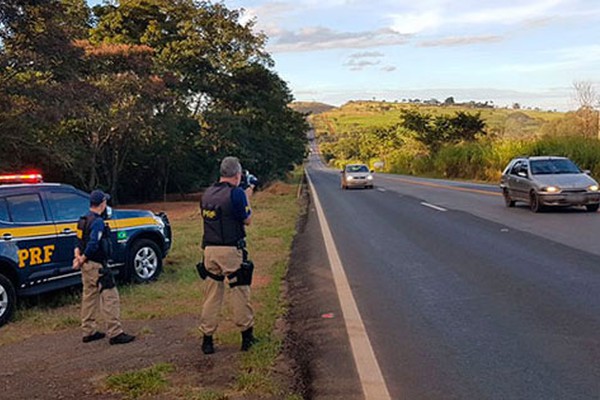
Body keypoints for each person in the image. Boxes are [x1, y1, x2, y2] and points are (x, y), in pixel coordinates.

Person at [198, 156, 256, 354]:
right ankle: (246, 336)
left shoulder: (207, 194)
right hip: (230, 250)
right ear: (237, 174)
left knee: (211, 296)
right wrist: (248, 196)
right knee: (239, 292)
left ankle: (207, 339)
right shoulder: (237, 194)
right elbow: (247, 220)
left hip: (209, 251)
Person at [73, 190, 135, 345]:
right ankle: (115, 332)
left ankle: (88, 331)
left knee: (89, 297)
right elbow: (94, 243)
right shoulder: (98, 222)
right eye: (105, 202)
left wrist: (79, 259)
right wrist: (85, 257)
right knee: (110, 297)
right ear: (102, 203)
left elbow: (78, 242)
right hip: (97, 266)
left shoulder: (83, 220)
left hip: (86, 267)